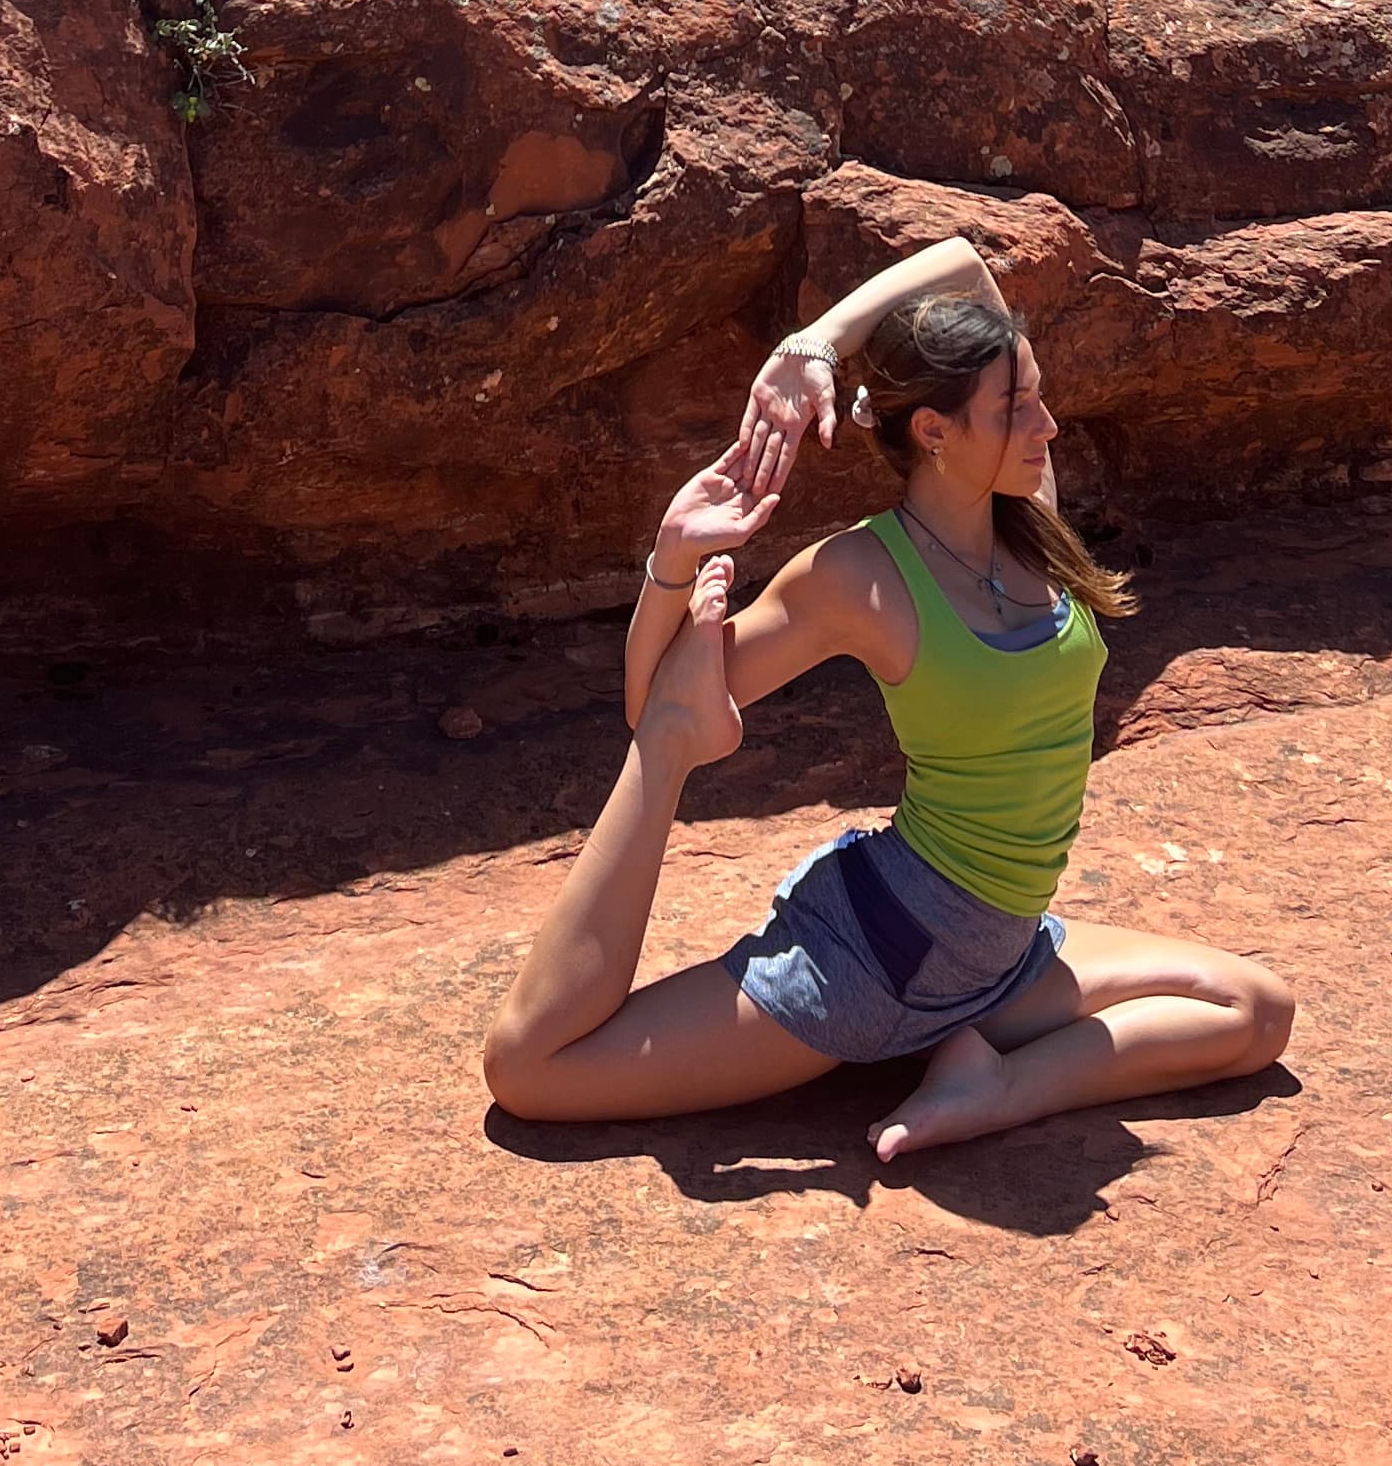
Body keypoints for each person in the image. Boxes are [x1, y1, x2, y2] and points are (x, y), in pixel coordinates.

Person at [481, 235, 1293, 1159]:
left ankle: (992, 1088)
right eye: (1018, 407)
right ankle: (952, 1057)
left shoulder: (1029, 523)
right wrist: (672, 563)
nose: (1049, 426)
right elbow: (657, 700)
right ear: (934, 432)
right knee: (532, 1071)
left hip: (999, 950)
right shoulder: (858, 577)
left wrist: (813, 344)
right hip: (873, 965)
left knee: (1255, 1011)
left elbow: (960, 263)